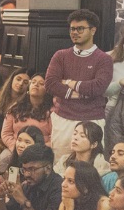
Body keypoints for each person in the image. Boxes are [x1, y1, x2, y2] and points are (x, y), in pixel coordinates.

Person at [47, 9, 113, 163]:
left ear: (93, 30)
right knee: (60, 165)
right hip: (63, 119)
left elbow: (98, 88)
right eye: (72, 29)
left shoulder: (104, 59)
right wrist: (82, 92)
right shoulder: (61, 56)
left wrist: (69, 83)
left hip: (92, 121)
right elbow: (50, 84)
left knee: (92, 168)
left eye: (80, 29)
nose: (75, 32)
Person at [1, 73, 53, 151]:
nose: (36, 85)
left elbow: (54, 138)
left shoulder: (51, 112)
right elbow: (6, 133)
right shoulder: (15, 108)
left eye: (41, 83)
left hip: (41, 153)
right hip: (15, 150)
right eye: (33, 82)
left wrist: (36, 150)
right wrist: (16, 148)